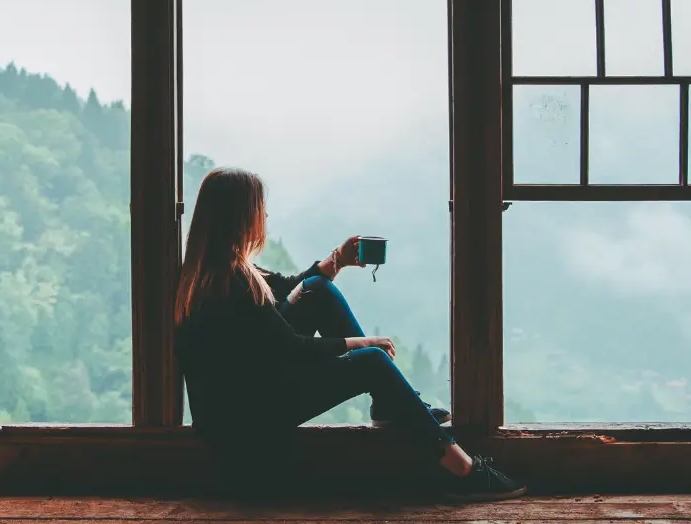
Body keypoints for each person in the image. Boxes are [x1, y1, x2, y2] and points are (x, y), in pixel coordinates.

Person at [174, 167, 526, 501]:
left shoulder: (215, 270)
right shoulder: (232, 283)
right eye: (259, 210)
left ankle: (390, 403)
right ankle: (463, 470)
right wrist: (364, 343)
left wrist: (337, 262)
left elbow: (287, 291)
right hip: (243, 425)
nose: (265, 217)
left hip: (242, 402)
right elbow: (291, 348)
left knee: (316, 289)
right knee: (373, 361)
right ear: (239, 218)